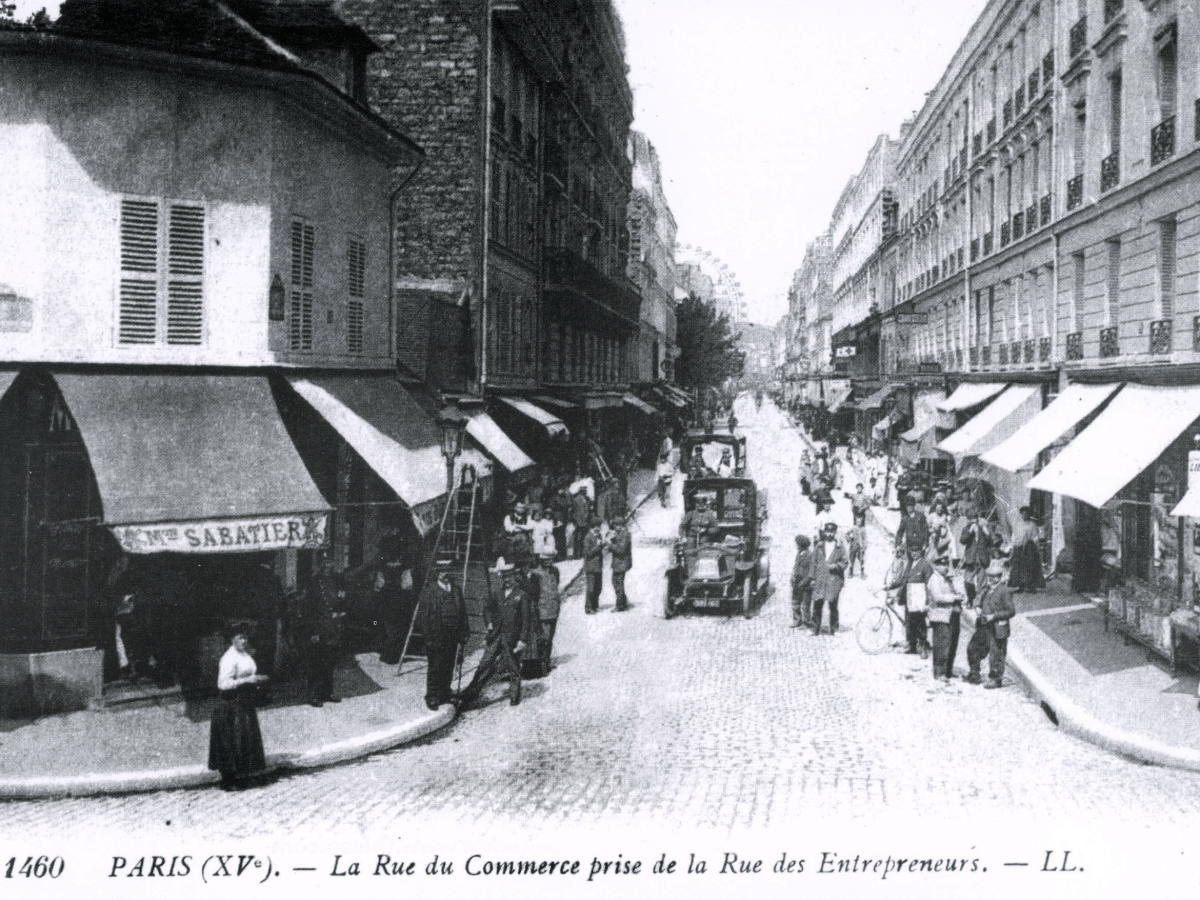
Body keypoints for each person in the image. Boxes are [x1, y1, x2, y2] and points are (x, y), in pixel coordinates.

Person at [457, 559, 527, 708]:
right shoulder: (497, 593)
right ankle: (470, 694)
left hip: (511, 638)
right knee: (484, 665)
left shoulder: (521, 595)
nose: (507, 580)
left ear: (514, 577)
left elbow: (527, 621)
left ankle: (514, 694)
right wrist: (488, 622)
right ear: (501, 577)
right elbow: (487, 609)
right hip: (495, 636)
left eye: (510, 576)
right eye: (504, 576)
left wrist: (522, 640)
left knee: (513, 666)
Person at [208, 625, 268, 791]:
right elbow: (223, 684)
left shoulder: (244, 653)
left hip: (243, 702)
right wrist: (247, 681)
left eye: (245, 637)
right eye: (240, 637)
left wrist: (256, 679)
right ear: (231, 639)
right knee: (231, 741)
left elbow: (248, 672)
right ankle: (228, 780)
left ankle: (241, 776)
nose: (244, 641)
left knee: (243, 739)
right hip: (230, 704)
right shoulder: (229, 658)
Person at [419, 568, 470, 710]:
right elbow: (423, 618)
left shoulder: (456, 589)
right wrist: (428, 637)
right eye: (442, 572)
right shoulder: (430, 591)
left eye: (448, 570)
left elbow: (463, 612)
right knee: (436, 666)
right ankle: (432, 696)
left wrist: (464, 632)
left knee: (449, 665)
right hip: (436, 636)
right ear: (437, 574)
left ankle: (445, 692)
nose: (445, 574)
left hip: (452, 635)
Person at [301, 554, 347, 706]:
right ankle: (313, 695)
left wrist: (341, 612)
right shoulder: (313, 583)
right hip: (319, 627)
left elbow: (343, 599)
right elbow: (308, 610)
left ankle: (327, 693)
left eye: (330, 562)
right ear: (319, 564)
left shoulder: (338, 580)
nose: (327, 566)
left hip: (334, 627)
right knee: (316, 664)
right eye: (324, 562)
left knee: (330, 662)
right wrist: (313, 632)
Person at [966, 558, 1016, 688]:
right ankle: (974, 673)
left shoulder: (1004, 591)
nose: (992, 579)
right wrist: (977, 606)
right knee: (973, 647)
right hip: (984, 625)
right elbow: (978, 597)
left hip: (997, 627)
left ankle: (996, 678)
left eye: (995, 577)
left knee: (996, 653)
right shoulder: (987, 588)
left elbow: (1011, 611)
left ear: (1000, 577)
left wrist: (993, 616)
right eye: (990, 576)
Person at [885, 548, 932, 657]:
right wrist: (891, 585)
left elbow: (929, 584)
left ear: (921, 551)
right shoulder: (909, 564)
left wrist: (927, 601)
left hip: (919, 598)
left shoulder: (925, 565)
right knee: (909, 622)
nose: (914, 553)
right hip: (909, 597)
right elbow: (903, 580)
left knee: (920, 623)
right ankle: (912, 646)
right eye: (912, 551)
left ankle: (923, 646)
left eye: (916, 550)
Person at [927, 556, 964, 682]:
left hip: (950, 615)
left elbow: (959, 591)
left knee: (951, 643)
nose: (946, 568)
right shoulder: (934, 579)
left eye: (947, 565)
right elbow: (938, 597)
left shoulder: (947, 579)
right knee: (941, 645)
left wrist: (958, 591)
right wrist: (953, 597)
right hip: (940, 616)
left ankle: (948, 670)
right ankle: (939, 672)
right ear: (936, 566)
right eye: (943, 565)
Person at [810, 522, 847, 636]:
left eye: (831, 532)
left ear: (835, 533)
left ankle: (834, 629)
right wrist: (812, 578)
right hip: (820, 579)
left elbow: (845, 562)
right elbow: (813, 563)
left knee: (833, 605)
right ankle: (814, 629)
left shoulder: (840, 548)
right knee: (817, 604)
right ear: (824, 532)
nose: (829, 534)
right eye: (827, 532)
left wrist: (836, 566)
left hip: (833, 580)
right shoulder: (819, 546)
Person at [531, 555, 561, 674]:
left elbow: (556, 585)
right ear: (541, 560)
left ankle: (546, 662)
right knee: (544, 638)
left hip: (553, 608)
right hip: (542, 610)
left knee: (550, 637)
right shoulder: (536, 574)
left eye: (550, 559)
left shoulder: (555, 571)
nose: (548, 562)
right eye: (545, 560)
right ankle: (542, 665)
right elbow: (534, 594)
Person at [1009, 506, 1046, 592]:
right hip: (1019, 547)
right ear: (1021, 514)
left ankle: (1031, 586)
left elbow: (1035, 536)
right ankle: (1020, 586)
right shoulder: (1017, 524)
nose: (1024, 515)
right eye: (1023, 514)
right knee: (1018, 567)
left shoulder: (1032, 524)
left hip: (1029, 548)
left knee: (1030, 566)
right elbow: (1014, 536)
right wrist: (1013, 545)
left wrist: (1035, 542)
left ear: (1029, 514)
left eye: (1026, 514)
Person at [607, 517, 632, 612]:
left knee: (618, 583)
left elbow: (621, 550)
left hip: (622, 563)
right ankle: (623, 601)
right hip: (618, 563)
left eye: (616, 526)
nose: (615, 528)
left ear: (620, 525)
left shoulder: (625, 534)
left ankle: (620, 605)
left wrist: (610, 544)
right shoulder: (620, 533)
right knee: (616, 582)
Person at [790, 535, 814, 628]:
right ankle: (797, 620)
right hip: (796, 581)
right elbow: (795, 566)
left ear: (802, 544)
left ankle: (806, 622)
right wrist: (792, 576)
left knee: (805, 604)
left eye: (797, 544)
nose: (796, 546)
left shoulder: (810, 555)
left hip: (805, 583)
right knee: (795, 602)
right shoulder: (799, 553)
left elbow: (811, 571)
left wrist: (805, 581)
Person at [583, 516, 605, 614]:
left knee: (598, 587)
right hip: (591, 567)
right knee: (591, 588)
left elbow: (600, 548)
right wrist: (599, 546)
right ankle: (588, 607)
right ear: (592, 527)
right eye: (597, 526)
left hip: (598, 566)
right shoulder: (588, 537)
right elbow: (588, 553)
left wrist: (604, 544)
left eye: (599, 526)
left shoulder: (599, 535)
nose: (599, 528)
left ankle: (595, 605)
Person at [570, 485, 591, 559]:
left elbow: (589, 509)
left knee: (584, 537)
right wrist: (575, 520)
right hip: (579, 521)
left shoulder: (587, 499)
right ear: (580, 492)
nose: (585, 492)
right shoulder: (576, 499)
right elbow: (572, 511)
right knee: (578, 538)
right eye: (583, 491)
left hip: (586, 521)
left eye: (585, 490)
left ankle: (583, 553)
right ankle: (577, 554)